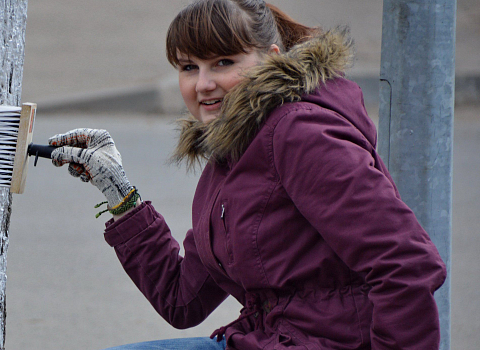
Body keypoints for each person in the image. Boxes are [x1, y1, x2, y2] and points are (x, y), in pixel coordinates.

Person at [47, 0, 447, 349]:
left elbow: (407, 264)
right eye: (189, 67)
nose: (204, 84)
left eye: (224, 62)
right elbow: (182, 300)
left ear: (271, 57)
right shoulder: (233, 150)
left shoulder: (301, 135)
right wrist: (119, 193)